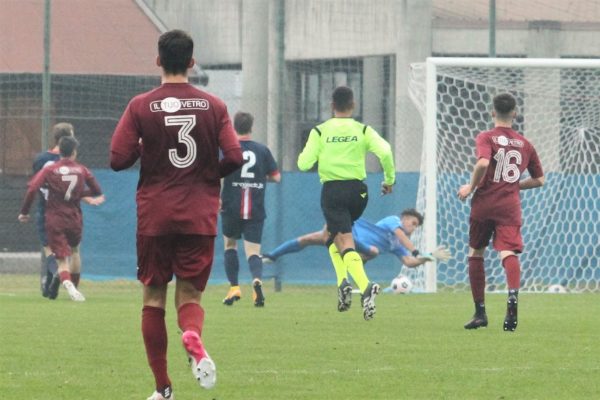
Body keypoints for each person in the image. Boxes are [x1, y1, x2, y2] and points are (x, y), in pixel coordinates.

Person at [110, 29, 243, 400]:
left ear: (158, 61)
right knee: (190, 297)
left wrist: (140, 147)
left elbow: (117, 159)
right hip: (199, 215)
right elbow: (234, 156)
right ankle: (193, 336)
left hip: (155, 214)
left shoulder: (140, 105)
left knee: (153, 298)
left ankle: (163, 388)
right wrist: (206, 176)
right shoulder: (214, 105)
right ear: (191, 61)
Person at [297, 85, 395, 321]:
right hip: (359, 193)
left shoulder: (320, 132)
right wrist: (389, 179)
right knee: (333, 237)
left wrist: (322, 153)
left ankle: (365, 286)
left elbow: (303, 163)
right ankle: (343, 283)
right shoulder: (362, 129)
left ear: (332, 105)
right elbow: (385, 151)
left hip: (333, 192)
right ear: (353, 105)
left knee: (344, 239)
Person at [457, 93, 544, 332]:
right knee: (508, 252)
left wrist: (470, 187)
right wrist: (515, 183)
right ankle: (513, 297)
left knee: (476, 251)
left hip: (484, 203)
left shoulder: (486, 137)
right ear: (515, 113)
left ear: (492, 112)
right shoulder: (525, 144)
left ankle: (480, 312)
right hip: (509, 205)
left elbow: (483, 163)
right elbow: (539, 180)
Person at [18, 136, 105, 302]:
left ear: (60, 152)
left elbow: (32, 189)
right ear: (74, 152)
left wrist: (24, 212)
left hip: (55, 218)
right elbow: (96, 190)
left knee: (61, 259)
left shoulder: (50, 170)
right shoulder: (82, 169)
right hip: (74, 217)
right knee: (75, 251)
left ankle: (68, 285)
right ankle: (76, 288)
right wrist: (80, 194)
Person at [261, 209, 451, 271]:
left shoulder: (396, 245)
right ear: (404, 218)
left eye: (416, 226)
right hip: (348, 228)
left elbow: (409, 262)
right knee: (306, 239)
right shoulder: (394, 222)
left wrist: (429, 257)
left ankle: (349, 264)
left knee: (371, 252)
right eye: (413, 222)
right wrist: (418, 251)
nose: (413, 227)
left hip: (349, 240)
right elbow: (402, 237)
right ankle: (271, 256)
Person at [220, 111, 281, 307]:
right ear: (251, 128)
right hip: (254, 207)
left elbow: (216, 174)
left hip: (230, 205)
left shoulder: (227, 150)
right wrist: (260, 178)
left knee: (230, 245)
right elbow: (277, 177)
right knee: (253, 252)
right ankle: (256, 279)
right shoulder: (262, 150)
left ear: (233, 127)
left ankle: (234, 287)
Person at [32, 122, 75, 299]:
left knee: (49, 249)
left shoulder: (41, 159)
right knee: (65, 250)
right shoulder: (71, 161)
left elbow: (38, 182)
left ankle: (56, 272)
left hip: (46, 207)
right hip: (67, 210)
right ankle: (49, 289)